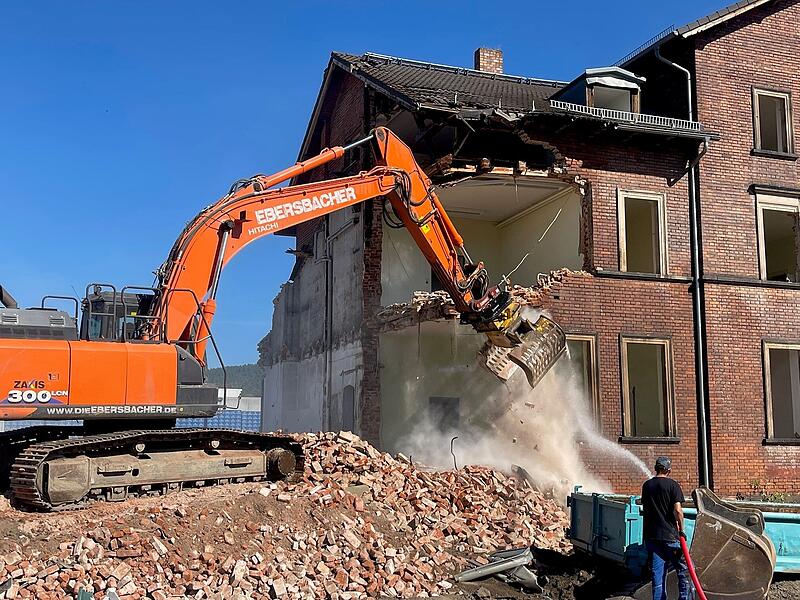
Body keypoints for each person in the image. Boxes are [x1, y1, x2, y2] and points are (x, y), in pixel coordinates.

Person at [641, 456, 689, 600]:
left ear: (656, 468)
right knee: (684, 569)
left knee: (658, 574)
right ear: (669, 470)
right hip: (670, 536)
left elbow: (646, 507)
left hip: (652, 537)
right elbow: (678, 511)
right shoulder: (673, 485)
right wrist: (681, 529)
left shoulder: (647, 485)